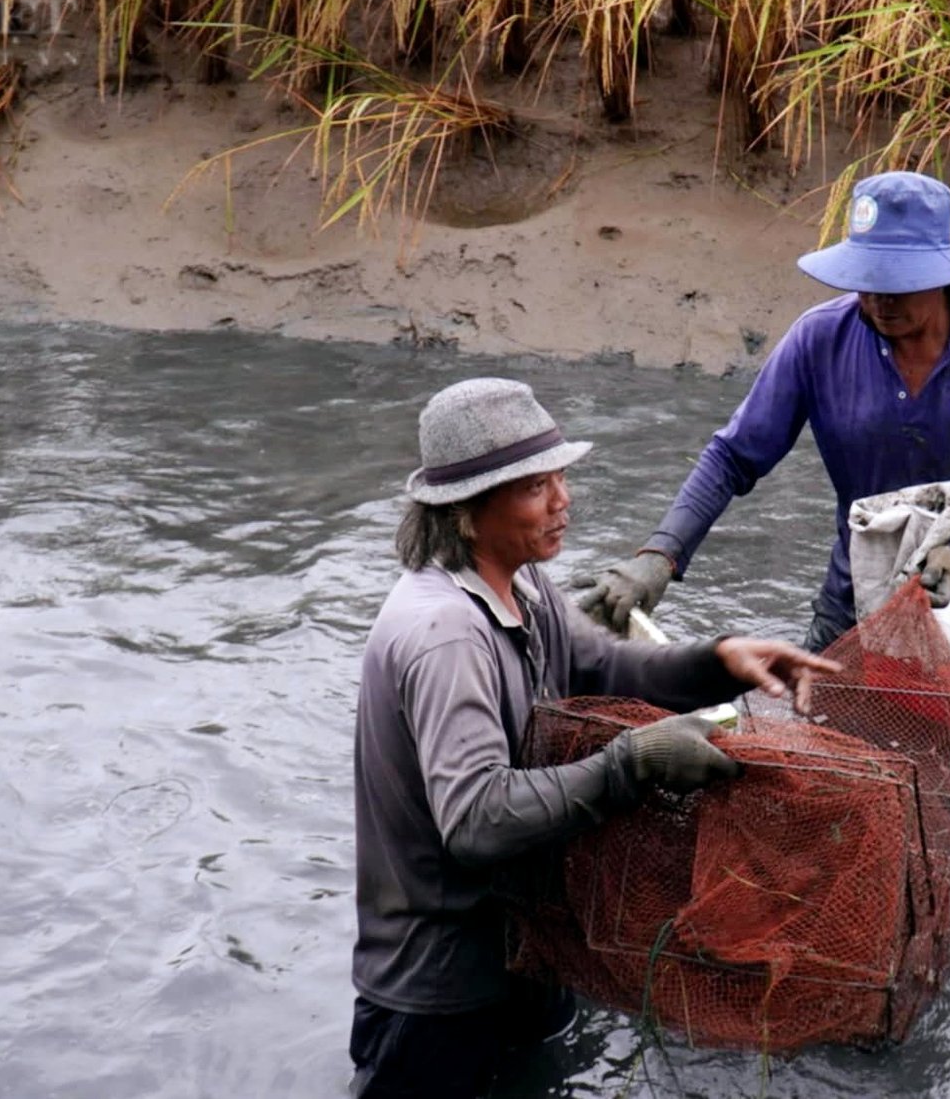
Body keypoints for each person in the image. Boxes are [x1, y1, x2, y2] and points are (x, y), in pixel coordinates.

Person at [351, 376, 838, 1099]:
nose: (563, 500)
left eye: (560, 477)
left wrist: (721, 661)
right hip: (437, 997)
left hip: (526, 960)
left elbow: (608, 664)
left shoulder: (523, 584)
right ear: (465, 512)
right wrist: (632, 761)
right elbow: (476, 819)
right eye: (535, 487)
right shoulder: (445, 633)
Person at [579, 170, 950, 651]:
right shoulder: (819, 339)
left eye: (898, 284)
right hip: (853, 598)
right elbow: (732, 458)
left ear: (943, 276)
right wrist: (661, 555)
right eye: (866, 281)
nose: (878, 300)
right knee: (817, 717)